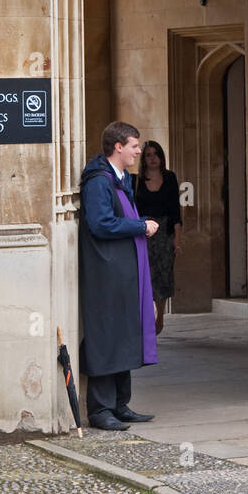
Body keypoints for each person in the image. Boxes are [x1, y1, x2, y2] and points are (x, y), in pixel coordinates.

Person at [79, 120, 159, 431]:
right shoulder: (99, 181)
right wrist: (140, 226)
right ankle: (100, 410)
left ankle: (120, 404)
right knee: (107, 336)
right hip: (106, 271)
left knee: (125, 335)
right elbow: (101, 223)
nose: (139, 151)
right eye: (135, 146)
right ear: (119, 147)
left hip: (124, 269)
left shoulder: (121, 177)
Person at [134, 139, 182, 335]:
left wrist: (178, 237)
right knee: (146, 274)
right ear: (143, 159)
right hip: (143, 232)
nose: (152, 158)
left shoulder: (170, 177)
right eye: (148, 155)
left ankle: (159, 315)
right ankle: (147, 314)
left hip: (164, 233)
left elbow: (174, 210)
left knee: (163, 275)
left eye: (156, 154)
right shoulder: (134, 180)